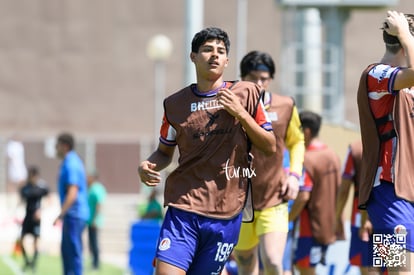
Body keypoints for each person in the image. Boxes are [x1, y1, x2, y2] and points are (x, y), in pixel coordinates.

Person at [138, 27, 276, 275]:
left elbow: (270, 145)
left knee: (275, 263)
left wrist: (241, 114)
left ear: (227, 60)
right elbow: (163, 152)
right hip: (184, 208)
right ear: (193, 56)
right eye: (207, 50)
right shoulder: (175, 105)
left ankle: (374, 258)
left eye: (220, 51)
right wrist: (147, 165)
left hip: (228, 210)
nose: (214, 55)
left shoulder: (248, 94)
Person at [233, 51, 305, 275]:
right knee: (246, 266)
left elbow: (297, 142)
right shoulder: (230, 105)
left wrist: (294, 176)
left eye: (264, 78)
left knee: (275, 261)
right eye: (253, 77)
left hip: (276, 199)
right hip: (239, 201)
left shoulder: (285, 106)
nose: (259, 83)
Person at [356, 11, 414, 274]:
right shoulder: (376, 74)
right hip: (389, 192)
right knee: (399, 270)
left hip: (408, 191)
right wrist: (405, 34)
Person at [289, 111, 341, 275]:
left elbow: (304, 195)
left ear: (306, 131)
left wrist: (286, 220)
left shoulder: (307, 158)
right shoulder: (332, 154)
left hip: (308, 227)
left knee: (305, 269)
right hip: (326, 225)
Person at [336, 140, 383, 275]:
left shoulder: (358, 148)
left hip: (368, 220)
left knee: (370, 267)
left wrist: (364, 220)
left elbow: (346, 189)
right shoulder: (404, 145)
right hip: (400, 219)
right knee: (396, 268)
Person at [53, 132, 89, 275]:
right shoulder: (69, 161)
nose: (56, 148)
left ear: (65, 146)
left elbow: (72, 192)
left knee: (73, 253)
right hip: (72, 215)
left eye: (57, 145)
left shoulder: (71, 163)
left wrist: (60, 214)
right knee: (67, 253)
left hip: (74, 214)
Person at [19, 165, 49, 272]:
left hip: (36, 219)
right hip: (27, 217)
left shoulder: (41, 188)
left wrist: (41, 211)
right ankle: (27, 261)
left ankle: (34, 264)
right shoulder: (25, 188)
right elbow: (21, 199)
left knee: (36, 241)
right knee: (21, 240)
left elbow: (49, 198)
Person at [87, 171, 107, 271]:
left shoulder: (96, 188)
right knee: (91, 243)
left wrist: (95, 219)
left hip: (95, 221)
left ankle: (96, 264)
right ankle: (93, 262)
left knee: (94, 243)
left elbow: (99, 204)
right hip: (90, 220)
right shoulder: (91, 188)